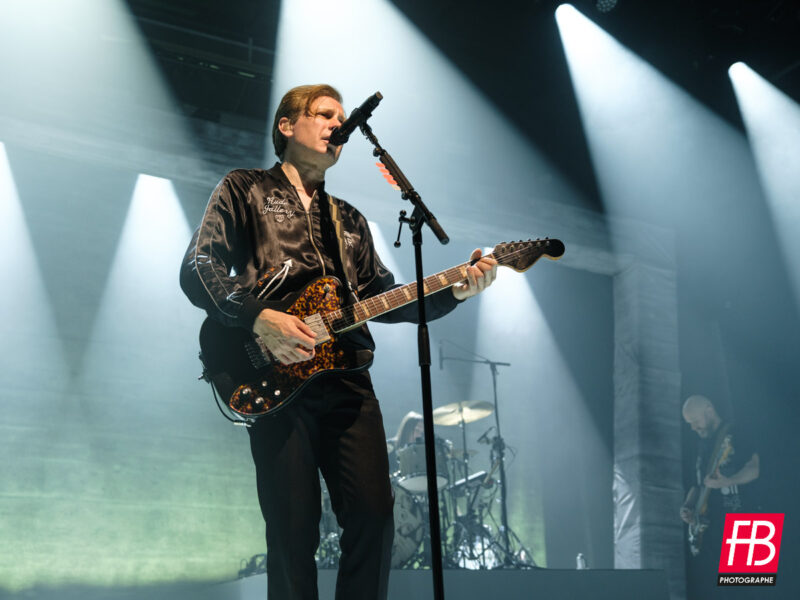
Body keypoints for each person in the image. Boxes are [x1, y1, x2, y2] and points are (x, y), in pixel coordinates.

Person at [179, 84, 497, 600]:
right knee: (292, 531)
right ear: (287, 126)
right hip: (275, 376)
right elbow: (199, 267)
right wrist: (260, 318)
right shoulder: (245, 189)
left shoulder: (348, 220)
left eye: (342, 119)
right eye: (324, 114)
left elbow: (389, 297)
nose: (336, 126)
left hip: (348, 380)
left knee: (374, 518)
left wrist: (454, 292)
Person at [679, 394, 760, 598]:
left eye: (695, 421)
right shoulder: (701, 445)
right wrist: (688, 506)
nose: (693, 428)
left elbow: (754, 468)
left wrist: (727, 481)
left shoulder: (737, 432)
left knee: (748, 592)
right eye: (690, 424)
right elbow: (697, 485)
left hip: (747, 524)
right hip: (712, 529)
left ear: (709, 410)